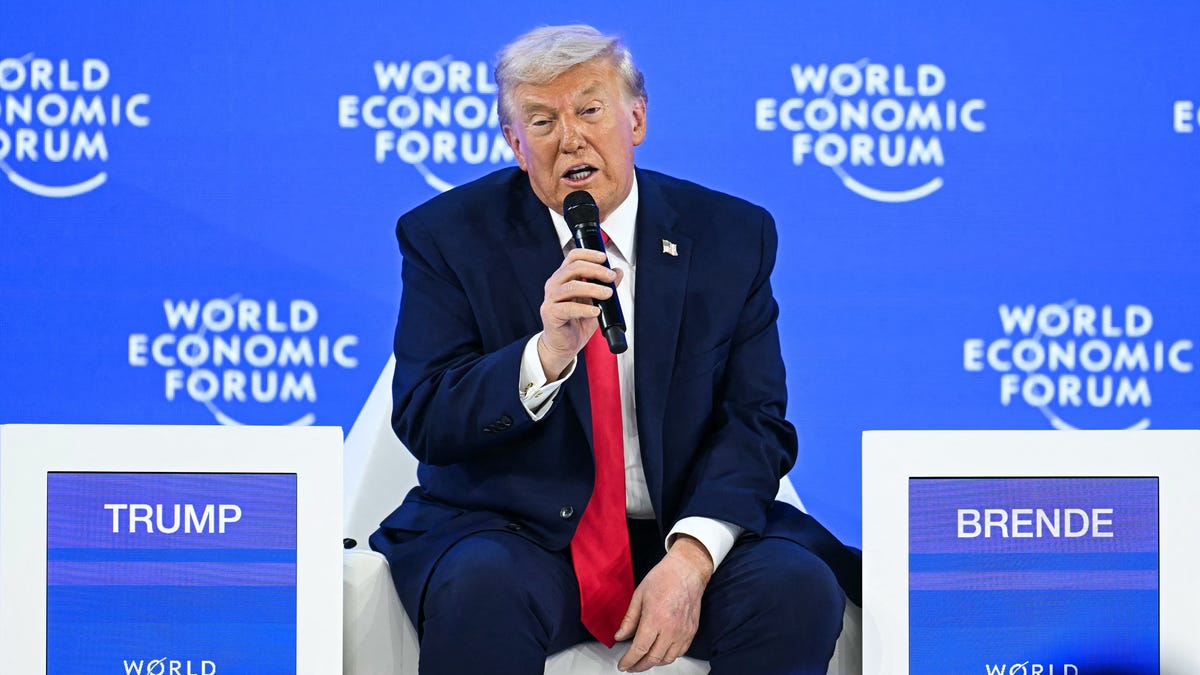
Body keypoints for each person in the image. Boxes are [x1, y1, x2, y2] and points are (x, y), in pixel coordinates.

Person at [369, 24, 860, 675]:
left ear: (636, 118)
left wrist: (691, 556)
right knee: (480, 585)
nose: (569, 137)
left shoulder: (730, 237)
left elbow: (756, 421)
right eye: (541, 121)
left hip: (679, 525)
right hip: (518, 533)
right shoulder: (447, 237)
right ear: (515, 145)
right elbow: (426, 416)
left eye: (590, 109)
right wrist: (544, 355)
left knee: (795, 588)